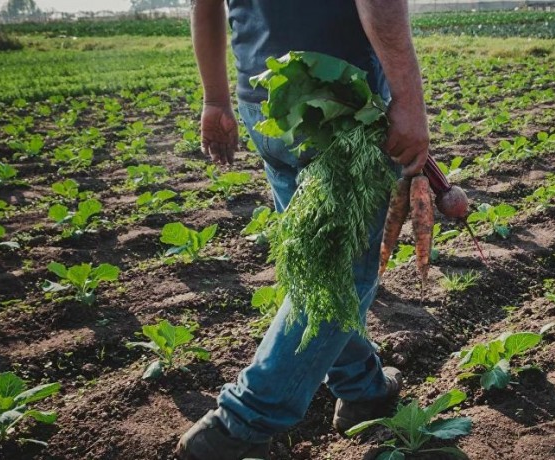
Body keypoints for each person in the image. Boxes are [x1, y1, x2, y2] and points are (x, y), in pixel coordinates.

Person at [176, 1, 430, 458]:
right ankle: (241, 422)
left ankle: (362, 388)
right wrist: (409, 100)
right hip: (335, 101)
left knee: (318, 257)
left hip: (265, 96)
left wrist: (215, 98)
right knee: (339, 272)